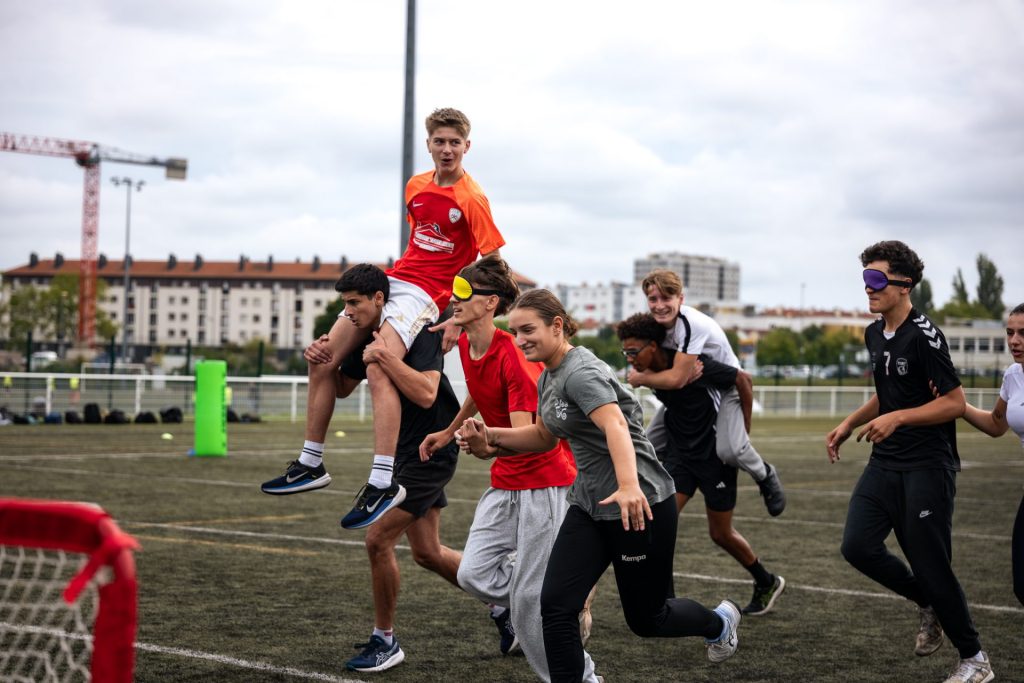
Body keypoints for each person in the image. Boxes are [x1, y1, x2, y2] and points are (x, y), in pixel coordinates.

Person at [459, 289, 741, 683]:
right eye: (515, 331)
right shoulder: (550, 375)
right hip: (590, 506)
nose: (520, 340)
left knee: (648, 618)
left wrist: (628, 486)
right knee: (555, 606)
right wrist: (490, 439)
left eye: (528, 330)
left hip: (638, 505)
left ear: (557, 326)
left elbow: (616, 424)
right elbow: (543, 436)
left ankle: (718, 623)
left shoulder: (580, 371)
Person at [261, 108, 505, 532]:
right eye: (438, 141)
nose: (446, 149)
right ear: (428, 144)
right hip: (395, 281)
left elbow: (495, 267)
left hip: (428, 296)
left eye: (454, 142)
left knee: (379, 365)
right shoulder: (415, 185)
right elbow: (418, 243)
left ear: (467, 146)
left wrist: (457, 317)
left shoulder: (472, 198)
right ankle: (310, 462)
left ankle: (381, 482)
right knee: (321, 358)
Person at [419, 258, 600, 682]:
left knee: (530, 604)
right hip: (506, 482)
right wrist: (448, 433)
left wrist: (485, 445)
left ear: (490, 303)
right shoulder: (466, 344)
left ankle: (585, 676)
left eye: (464, 293)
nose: (453, 299)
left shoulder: (515, 359)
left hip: (544, 483)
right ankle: (559, 592)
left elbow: (527, 437)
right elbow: (481, 395)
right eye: (454, 290)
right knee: (473, 574)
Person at [825, 241, 993, 683]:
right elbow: (888, 391)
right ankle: (928, 600)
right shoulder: (873, 332)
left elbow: (954, 403)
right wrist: (849, 422)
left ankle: (975, 660)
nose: (868, 288)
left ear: (904, 285)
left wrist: (898, 418)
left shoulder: (925, 335)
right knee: (857, 546)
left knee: (932, 565)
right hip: (885, 463)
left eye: (876, 280)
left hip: (928, 466)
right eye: (865, 279)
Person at [311, 264, 484, 673]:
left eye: (354, 303)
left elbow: (426, 393)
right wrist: (323, 358)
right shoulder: (362, 339)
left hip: (429, 451)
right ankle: (503, 603)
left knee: (377, 540)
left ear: (379, 300)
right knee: (427, 553)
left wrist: (385, 358)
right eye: (344, 305)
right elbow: (339, 387)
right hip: (404, 453)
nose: (347, 312)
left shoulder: (417, 330)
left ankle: (385, 641)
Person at [617, 313, 786, 617]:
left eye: (633, 352)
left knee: (720, 534)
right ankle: (663, 600)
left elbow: (742, 379)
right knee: (658, 525)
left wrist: (743, 431)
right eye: (625, 353)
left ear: (654, 346)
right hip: (681, 458)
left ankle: (766, 580)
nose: (630, 360)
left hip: (714, 458)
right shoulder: (648, 370)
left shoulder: (693, 365)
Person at [631, 269, 786, 517]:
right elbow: (668, 372)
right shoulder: (656, 327)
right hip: (695, 389)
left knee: (731, 450)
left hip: (724, 388)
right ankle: (642, 491)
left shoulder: (692, 325)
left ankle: (765, 474)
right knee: (645, 442)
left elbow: (678, 378)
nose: (659, 305)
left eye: (666, 298)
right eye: (653, 299)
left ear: (680, 299)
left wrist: (641, 378)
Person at [958, 302, 1024, 608]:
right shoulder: (1013, 376)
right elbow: (997, 424)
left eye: (1023, 333)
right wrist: (958, 405)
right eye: (1010, 332)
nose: (1014, 340)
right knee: (1022, 585)